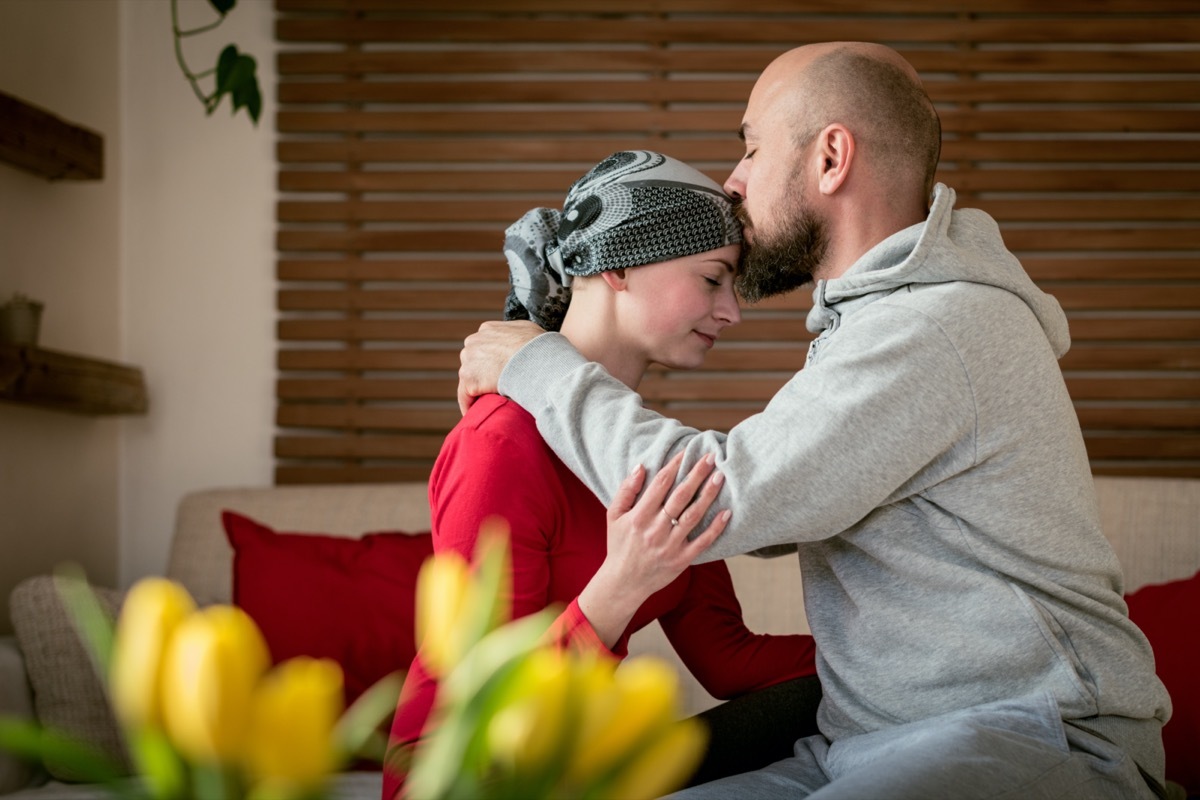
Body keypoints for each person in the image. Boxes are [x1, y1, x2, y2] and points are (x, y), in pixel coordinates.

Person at [455, 43, 1172, 800]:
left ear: (831, 157)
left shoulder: (933, 327)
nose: (732, 182)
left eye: (752, 145)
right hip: (866, 743)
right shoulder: (876, 326)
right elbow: (777, 506)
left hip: (1029, 736)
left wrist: (535, 365)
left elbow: (726, 499)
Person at [382, 150, 821, 800]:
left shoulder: (642, 453)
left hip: (582, 768)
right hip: (467, 776)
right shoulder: (499, 442)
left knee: (831, 704)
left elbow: (729, 660)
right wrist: (622, 585)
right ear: (618, 267)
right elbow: (489, 703)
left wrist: (907, 662)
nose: (732, 310)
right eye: (712, 279)